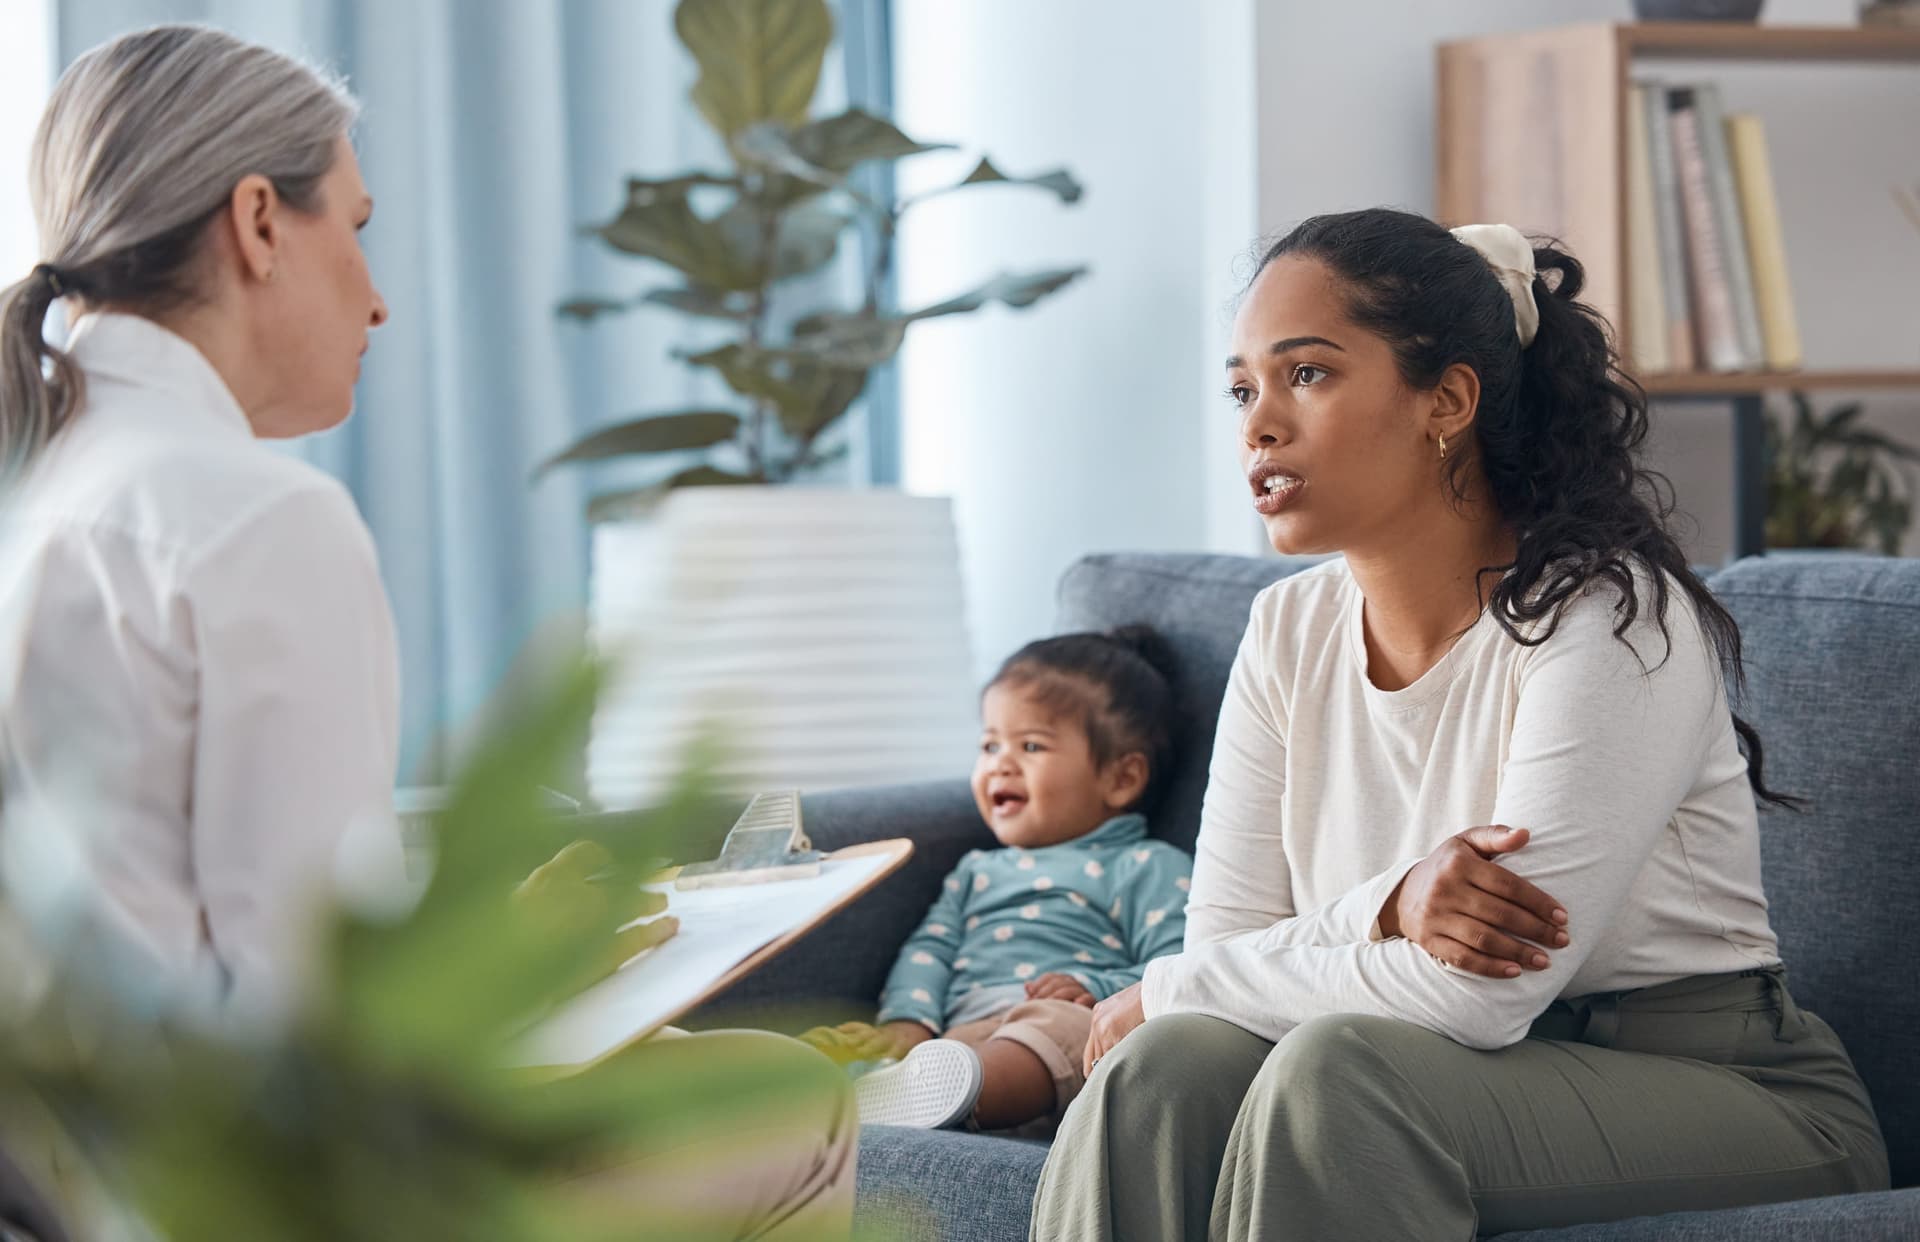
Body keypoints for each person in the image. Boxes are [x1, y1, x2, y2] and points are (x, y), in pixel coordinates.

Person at [0, 25, 852, 1240]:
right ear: (256, 223)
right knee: (791, 1102)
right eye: (353, 226)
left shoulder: (42, 494)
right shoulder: (253, 519)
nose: (380, 295)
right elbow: (323, 1031)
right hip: (244, 1203)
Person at [1031, 209, 1890, 1240]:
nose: (1259, 423)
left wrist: (1174, 983)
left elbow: (1480, 1001)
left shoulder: (1614, 619)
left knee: (1334, 1073)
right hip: (1444, 1067)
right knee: (1164, 1064)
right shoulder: (1285, 628)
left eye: (1307, 374)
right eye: (1243, 387)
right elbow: (1225, 966)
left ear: (1448, 401)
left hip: (1723, 1092)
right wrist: (1385, 910)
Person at [803, 627, 1192, 1133]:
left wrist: (1094, 988)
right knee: (903, 1052)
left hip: (1070, 1027)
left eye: (1030, 745)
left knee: (1056, 1030)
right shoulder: (977, 871)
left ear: (1121, 779)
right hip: (962, 1043)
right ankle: (853, 1090)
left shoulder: (1146, 865)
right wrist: (907, 1024)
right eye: (989, 745)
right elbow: (931, 951)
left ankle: (933, 1098)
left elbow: (1180, 966)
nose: (1000, 764)